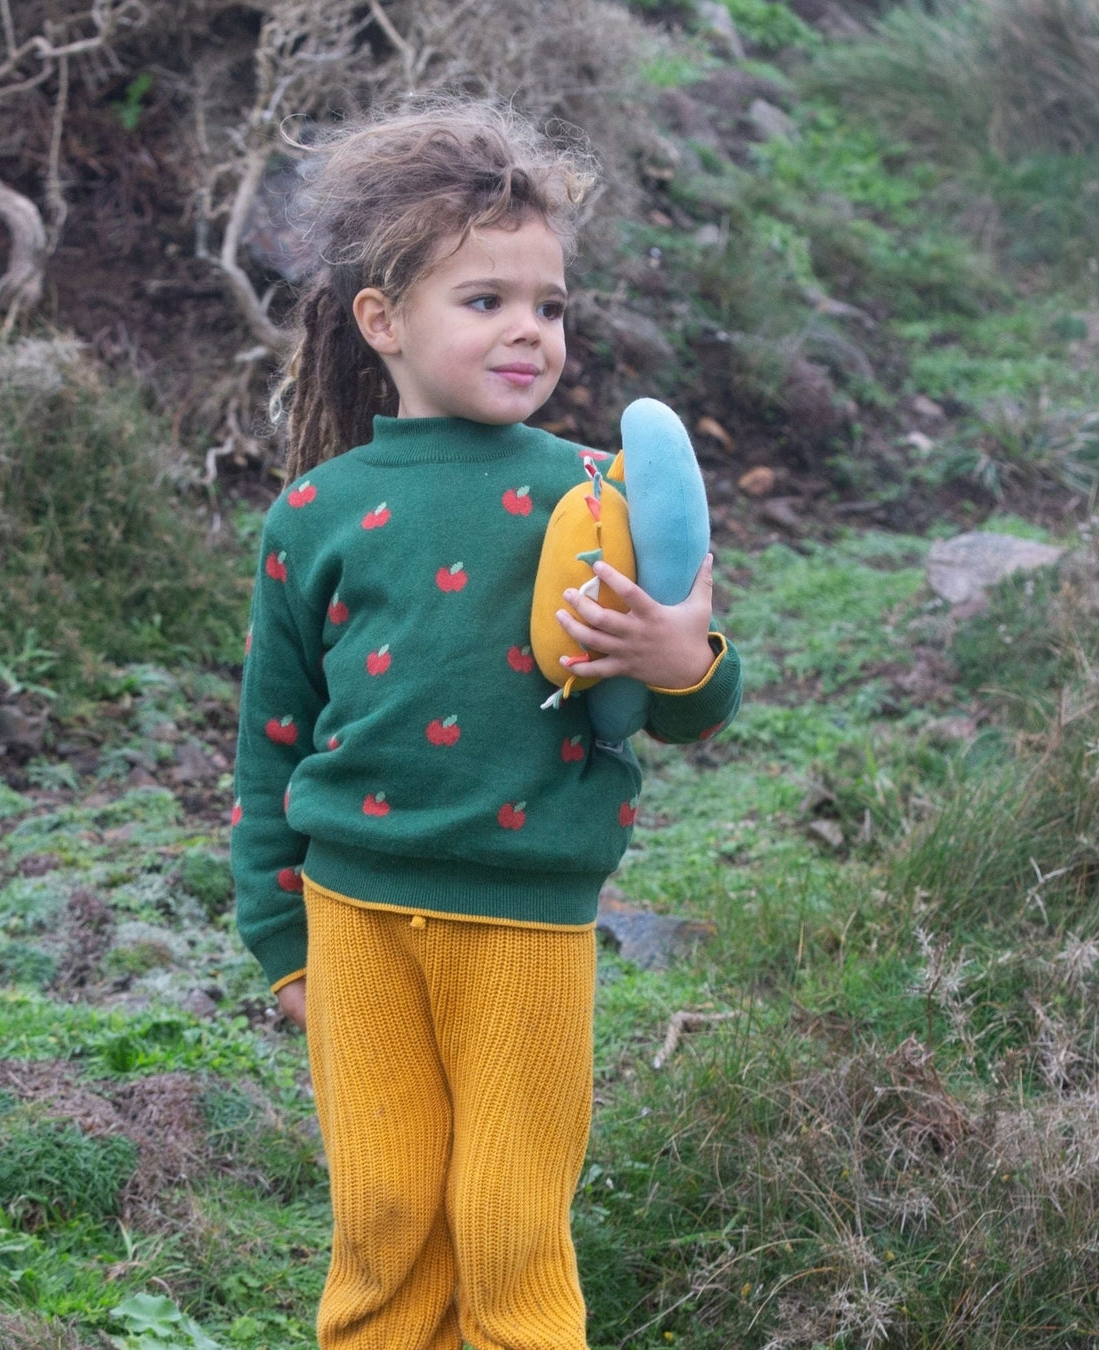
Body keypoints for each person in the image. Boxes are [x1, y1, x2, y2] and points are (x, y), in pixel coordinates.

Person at [232, 98, 742, 1350]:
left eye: (550, 305)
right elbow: (271, 736)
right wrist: (276, 929)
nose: (529, 329)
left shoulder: (593, 492)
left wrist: (688, 655)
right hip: (354, 922)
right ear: (383, 321)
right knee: (387, 1218)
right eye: (487, 301)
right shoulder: (315, 513)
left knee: (511, 1231)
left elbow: (684, 708)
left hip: (527, 924)